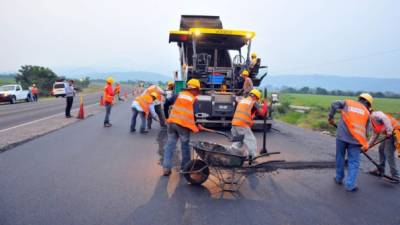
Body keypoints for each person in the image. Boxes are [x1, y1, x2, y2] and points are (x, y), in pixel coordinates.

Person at [328, 93, 373, 192]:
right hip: (356, 141)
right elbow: (367, 132)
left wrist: (330, 117)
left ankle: (339, 178)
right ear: (368, 103)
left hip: (341, 137)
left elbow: (334, 104)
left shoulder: (348, 103)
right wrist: (364, 143)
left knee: (340, 157)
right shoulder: (367, 113)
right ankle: (350, 185)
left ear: (360, 99)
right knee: (354, 162)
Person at [162, 79, 204, 176]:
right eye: (197, 90)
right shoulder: (193, 99)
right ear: (194, 89)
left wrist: (167, 118)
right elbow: (195, 115)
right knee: (185, 146)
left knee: (170, 145)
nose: (197, 92)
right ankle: (185, 168)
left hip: (172, 123)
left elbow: (165, 104)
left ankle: (166, 168)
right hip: (183, 126)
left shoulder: (178, 95)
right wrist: (198, 125)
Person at [230, 88, 266, 163]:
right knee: (251, 141)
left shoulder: (242, 100)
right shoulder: (253, 102)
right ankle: (252, 159)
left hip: (234, 124)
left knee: (238, 142)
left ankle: (230, 155)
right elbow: (262, 113)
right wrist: (265, 104)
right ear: (256, 97)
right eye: (257, 99)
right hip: (242, 125)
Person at [368, 110, 400, 183]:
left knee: (388, 153)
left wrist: (388, 131)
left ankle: (395, 176)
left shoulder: (375, 115)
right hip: (390, 134)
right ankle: (380, 169)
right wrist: (368, 146)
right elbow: (374, 135)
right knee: (381, 149)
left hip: (395, 132)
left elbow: (385, 118)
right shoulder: (372, 122)